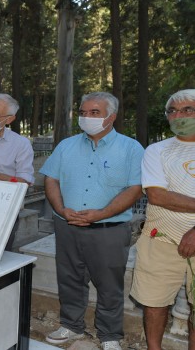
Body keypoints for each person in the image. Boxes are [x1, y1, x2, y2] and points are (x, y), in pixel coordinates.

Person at [40, 92, 144, 350]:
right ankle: (71, 326)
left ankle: (109, 336)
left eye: (94, 113)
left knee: (109, 284)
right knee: (70, 278)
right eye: (83, 112)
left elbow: (135, 188)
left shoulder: (131, 148)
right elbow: (51, 178)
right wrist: (61, 209)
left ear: (112, 116)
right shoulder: (67, 145)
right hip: (67, 225)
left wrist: (102, 213)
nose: (86, 117)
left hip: (108, 229)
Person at [130, 89, 195, 350]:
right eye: (172, 111)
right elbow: (157, 196)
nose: (178, 116)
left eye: (188, 110)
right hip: (160, 239)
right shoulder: (156, 150)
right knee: (154, 302)